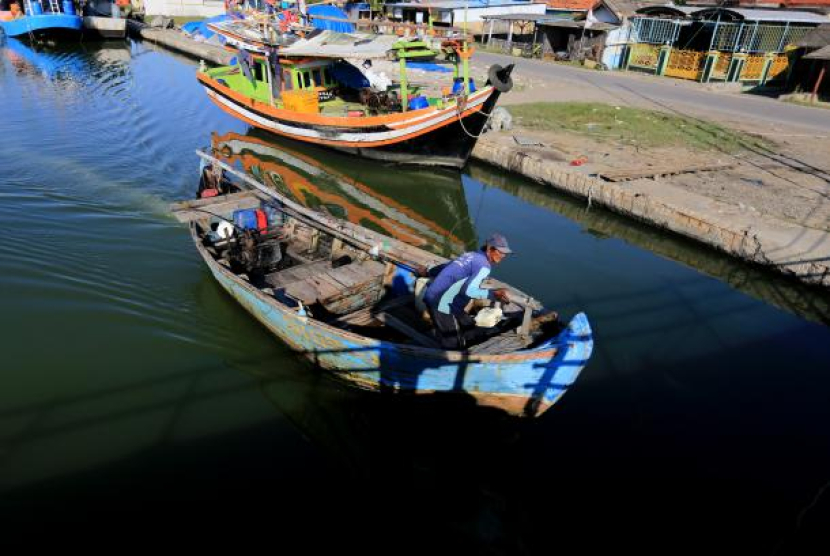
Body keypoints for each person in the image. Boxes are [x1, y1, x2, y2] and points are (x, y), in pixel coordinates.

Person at [423, 233, 512, 349]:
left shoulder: (470, 255)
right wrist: (493, 294)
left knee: (469, 327)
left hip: (445, 299)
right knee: (452, 343)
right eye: (500, 252)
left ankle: (471, 343)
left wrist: (428, 272)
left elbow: (445, 267)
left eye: (505, 253)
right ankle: (450, 362)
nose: (503, 255)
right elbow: (469, 291)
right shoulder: (484, 265)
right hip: (441, 303)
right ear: (490, 248)